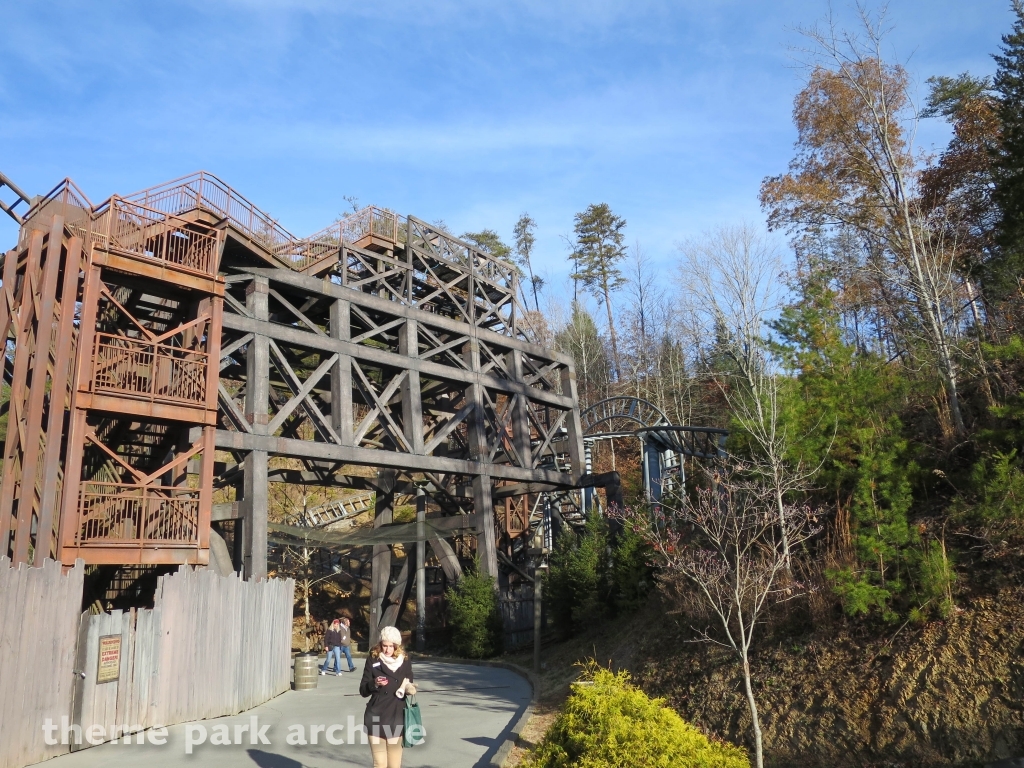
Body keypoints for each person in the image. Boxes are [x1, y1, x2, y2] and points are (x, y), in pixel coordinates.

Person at [359, 626, 415, 768]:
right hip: (376, 717)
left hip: (396, 717)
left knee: (394, 765)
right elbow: (363, 690)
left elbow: (409, 681)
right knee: (380, 764)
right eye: (384, 645)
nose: (387, 649)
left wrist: (409, 688)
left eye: (391, 646)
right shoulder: (373, 659)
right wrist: (374, 683)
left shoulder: (405, 660)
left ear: (397, 646)